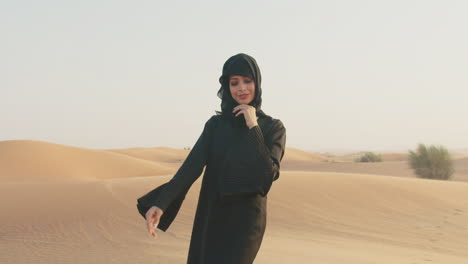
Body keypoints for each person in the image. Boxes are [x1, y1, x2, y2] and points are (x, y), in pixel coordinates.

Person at [136, 53, 287, 264]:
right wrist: (161, 204)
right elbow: (190, 168)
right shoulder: (216, 126)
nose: (241, 88)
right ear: (227, 87)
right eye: (234, 83)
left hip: (246, 223)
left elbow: (267, 176)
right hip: (213, 214)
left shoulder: (273, 128)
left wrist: (253, 127)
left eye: (247, 81)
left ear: (257, 83)